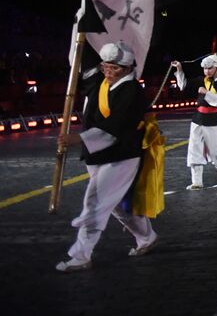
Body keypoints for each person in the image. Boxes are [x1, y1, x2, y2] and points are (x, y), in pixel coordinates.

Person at [56, 42, 158, 271]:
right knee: (118, 207)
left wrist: (79, 139)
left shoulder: (132, 92)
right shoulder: (100, 83)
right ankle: (146, 236)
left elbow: (116, 126)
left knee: (95, 202)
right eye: (106, 68)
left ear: (128, 68)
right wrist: (80, 27)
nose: (109, 73)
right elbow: (82, 68)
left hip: (122, 155)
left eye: (115, 69)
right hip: (97, 154)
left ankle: (82, 255)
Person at [173, 54, 217, 189]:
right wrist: (179, 70)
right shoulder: (201, 80)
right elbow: (183, 86)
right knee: (194, 150)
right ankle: (197, 181)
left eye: (209, 68)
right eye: (205, 69)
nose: (207, 71)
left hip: (214, 121)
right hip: (198, 119)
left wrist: (206, 93)